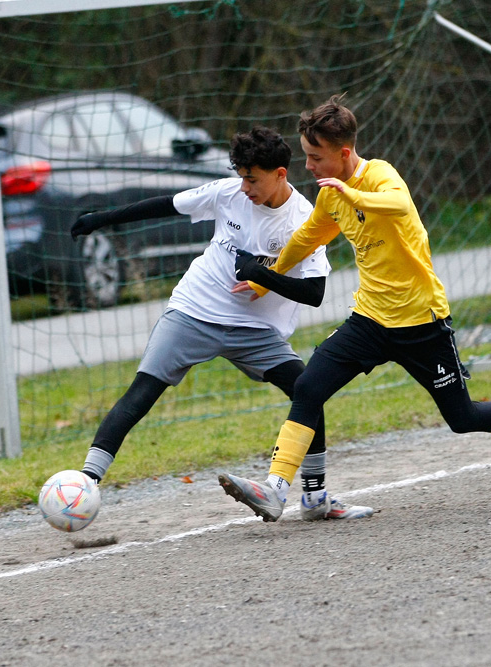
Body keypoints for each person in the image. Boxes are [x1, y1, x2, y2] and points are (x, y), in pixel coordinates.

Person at [218, 96, 491, 521]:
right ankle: (275, 489)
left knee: (462, 415)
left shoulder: (378, 176)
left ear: (343, 154)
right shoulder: (330, 197)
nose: (309, 165)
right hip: (370, 320)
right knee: (308, 387)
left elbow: (399, 204)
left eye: (315, 157)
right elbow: (306, 239)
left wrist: (353, 193)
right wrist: (265, 280)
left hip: (422, 322)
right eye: (306, 156)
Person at [71, 126, 373, 522]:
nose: (245, 187)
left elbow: (314, 292)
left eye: (253, 179)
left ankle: (315, 499)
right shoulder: (228, 192)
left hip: (256, 331)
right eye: (241, 176)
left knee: (307, 389)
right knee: (143, 391)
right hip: (195, 309)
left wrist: (261, 275)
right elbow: (166, 204)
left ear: (280, 174)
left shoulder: (303, 218)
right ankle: (85, 482)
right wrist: (101, 218)